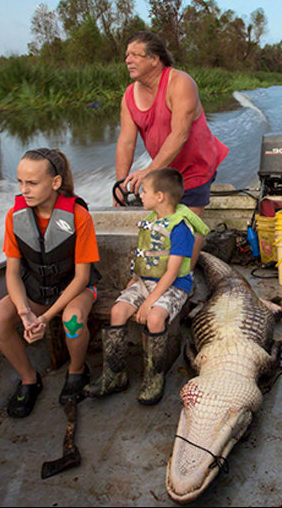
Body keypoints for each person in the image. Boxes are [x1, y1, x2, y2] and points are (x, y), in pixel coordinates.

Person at [0, 148, 101, 418]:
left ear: (55, 182)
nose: (24, 190)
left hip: (76, 289)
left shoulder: (79, 217)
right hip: (37, 289)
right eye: (20, 182)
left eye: (32, 183)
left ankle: (76, 371)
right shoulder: (14, 217)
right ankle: (29, 379)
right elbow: (13, 273)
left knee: (72, 321)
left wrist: (46, 317)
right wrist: (25, 312)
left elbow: (82, 277)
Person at [86, 168, 210, 405]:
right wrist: (134, 280)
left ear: (160, 196)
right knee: (117, 311)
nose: (140, 195)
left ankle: (154, 376)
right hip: (145, 282)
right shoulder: (151, 221)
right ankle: (115, 374)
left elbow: (172, 272)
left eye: (144, 191)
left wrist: (150, 301)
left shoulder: (180, 228)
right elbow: (145, 256)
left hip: (173, 285)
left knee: (154, 319)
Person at [115, 31, 229, 268]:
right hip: (165, 168)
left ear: (155, 59)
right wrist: (120, 185)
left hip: (195, 164)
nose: (128, 60)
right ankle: (164, 272)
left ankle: (184, 279)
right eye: (127, 55)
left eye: (136, 55)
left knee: (187, 226)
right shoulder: (128, 95)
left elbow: (180, 134)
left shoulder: (180, 83)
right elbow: (126, 141)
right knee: (164, 219)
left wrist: (149, 171)